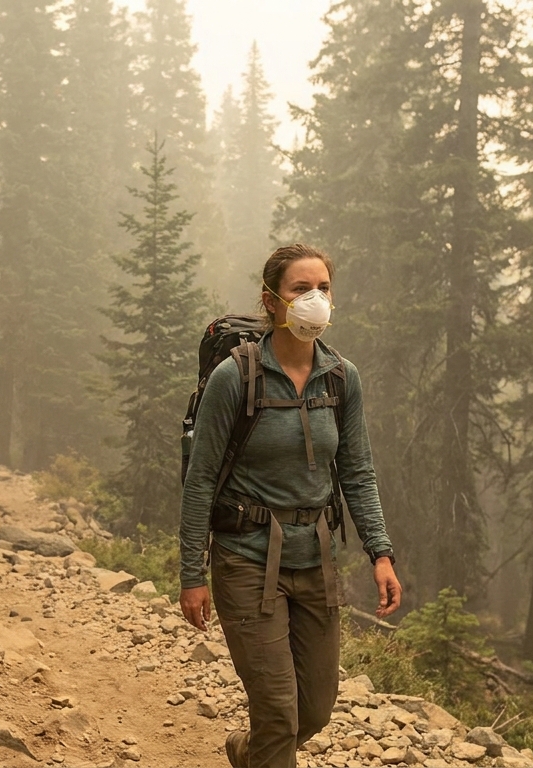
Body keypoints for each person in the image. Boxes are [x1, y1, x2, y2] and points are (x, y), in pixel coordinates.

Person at [178, 244, 401, 768]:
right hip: (245, 559)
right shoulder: (237, 378)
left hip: (313, 558)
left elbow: (358, 473)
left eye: (323, 288)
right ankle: (266, 750)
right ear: (271, 301)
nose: (315, 299)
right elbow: (200, 479)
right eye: (302, 289)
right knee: (278, 711)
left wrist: (381, 553)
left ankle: (248, 752)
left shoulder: (342, 378)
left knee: (315, 711)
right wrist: (193, 573)